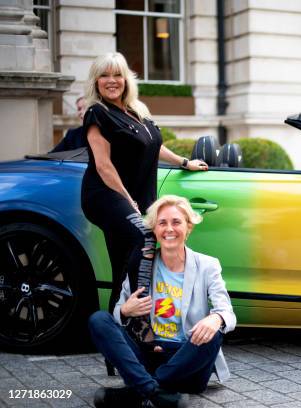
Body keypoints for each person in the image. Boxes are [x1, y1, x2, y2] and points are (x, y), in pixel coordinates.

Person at [80, 52, 208, 344]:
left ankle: (115, 340)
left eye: (117, 75)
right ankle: (138, 321)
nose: (112, 81)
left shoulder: (136, 110)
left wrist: (185, 162)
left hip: (136, 197)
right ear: (96, 82)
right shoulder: (96, 113)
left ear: (126, 79)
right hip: (105, 194)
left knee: (122, 266)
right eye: (104, 75)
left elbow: (154, 146)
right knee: (146, 238)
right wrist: (129, 201)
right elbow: (103, 165)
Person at [89, 195, 236, 408]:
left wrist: (216, 318)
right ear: (155, 231)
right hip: (147, 356)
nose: (169, 229)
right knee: (99, 320)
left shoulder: (208, 265)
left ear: (188, 228)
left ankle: (134, 393)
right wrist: (125, 311)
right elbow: (116, 317)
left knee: (213, 332)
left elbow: (228, 314)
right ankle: (155, 393)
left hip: (187, 359)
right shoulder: (141, 265)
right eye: (162, 223)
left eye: (176, 222)